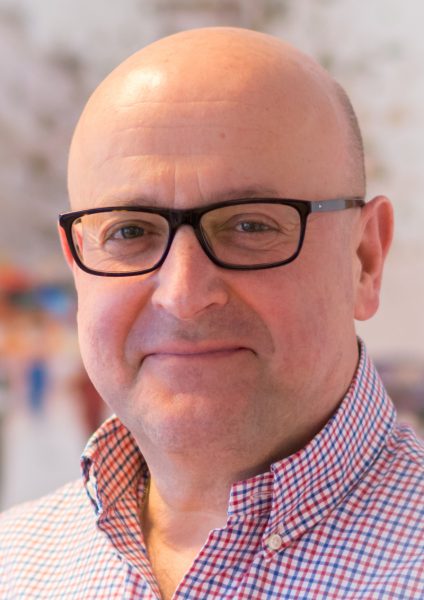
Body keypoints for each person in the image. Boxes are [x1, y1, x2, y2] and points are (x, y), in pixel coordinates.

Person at [1, 27, 423, 599]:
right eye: (130, 232)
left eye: (250, 224)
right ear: (77, 266)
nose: (183, 294)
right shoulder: (14, 566)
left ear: (365, 259)